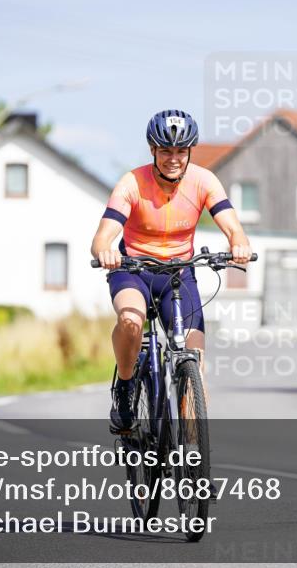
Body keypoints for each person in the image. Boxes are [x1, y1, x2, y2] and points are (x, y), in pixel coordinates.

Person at [90, 110, 252, 431]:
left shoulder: (203, 181)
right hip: (133, 269)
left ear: (190, 151)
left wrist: (239, 244)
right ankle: (125, 388)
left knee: (194, 360)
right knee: (131, 321)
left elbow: (233, 227)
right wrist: (105, 251)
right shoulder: (132, 183)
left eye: (180, 151)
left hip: (178, 274)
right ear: (153, 150)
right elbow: (103, 236)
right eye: (166, 151)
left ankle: (194, 461)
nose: (173, 159)